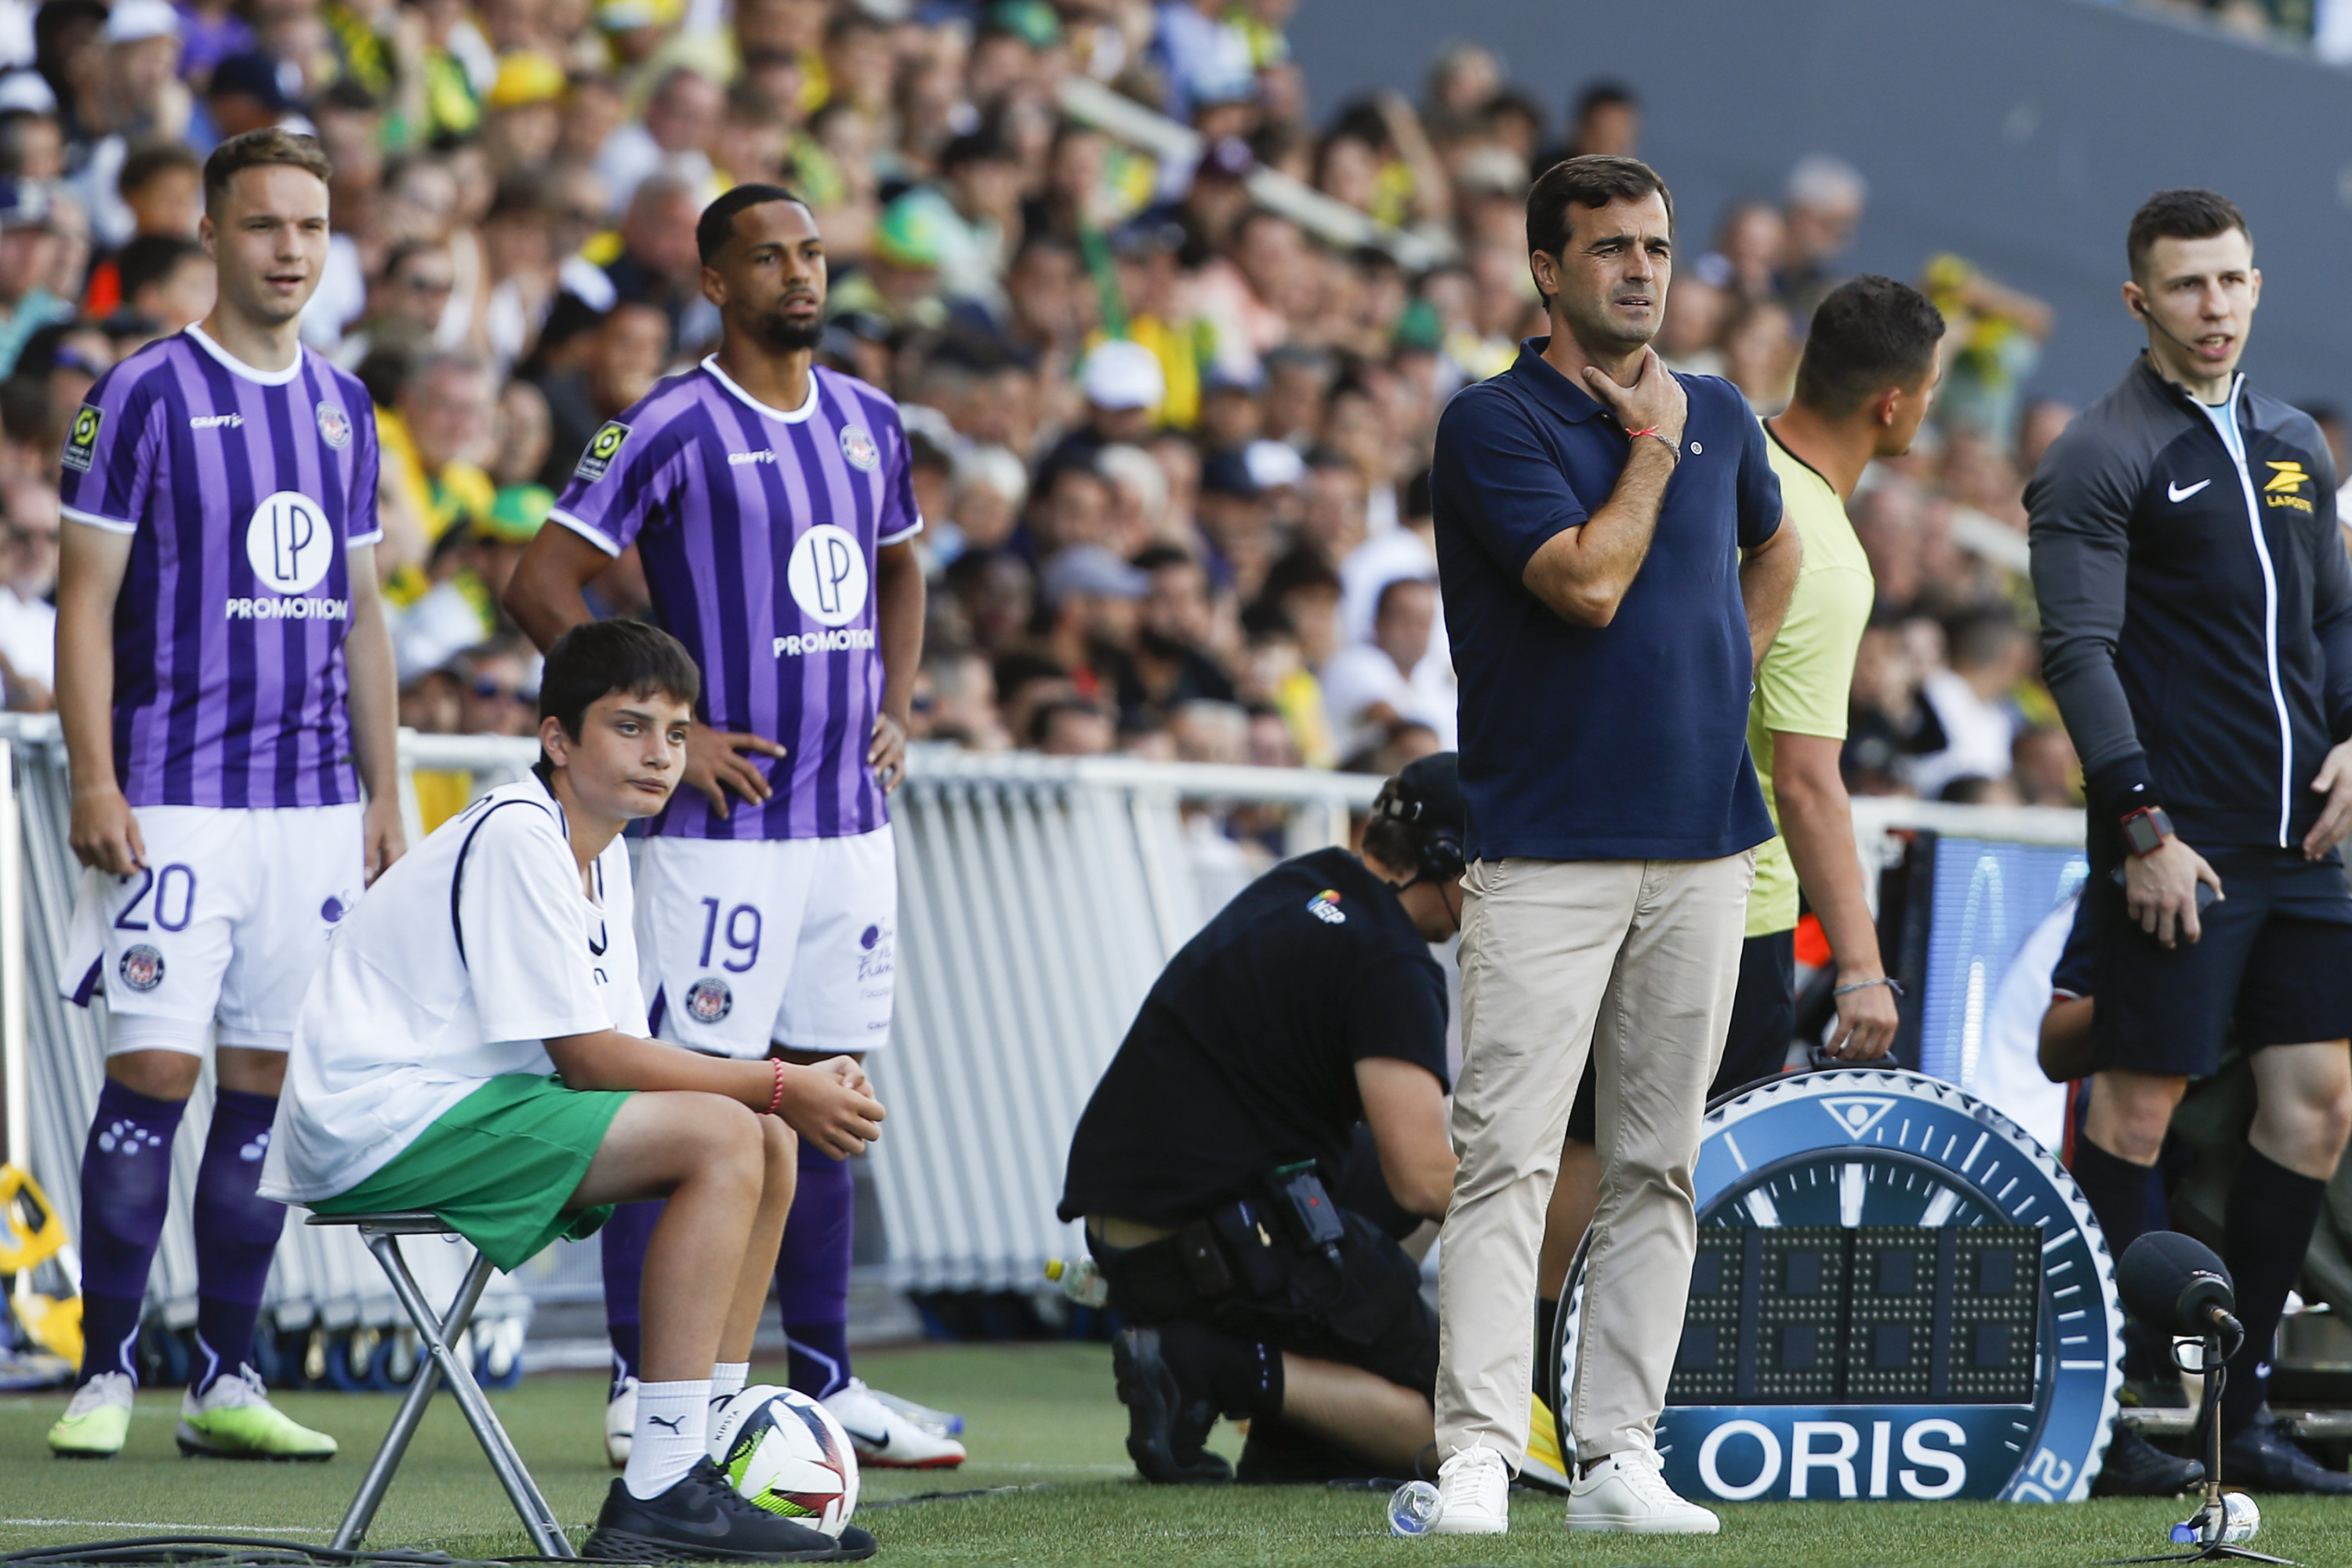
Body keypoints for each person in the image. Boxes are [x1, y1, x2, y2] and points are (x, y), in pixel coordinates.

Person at [258, 618, 884, 1564]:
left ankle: (701, 1453)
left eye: (676, 734)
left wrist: (773, 1097)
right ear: (558, 739)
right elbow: (591, 1059)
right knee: (733, 1130)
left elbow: (615, 1050)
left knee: (766, 1137)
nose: (661, 755)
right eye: (630, 727)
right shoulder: (518, 831)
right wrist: (781, 1078)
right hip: (378, 1120)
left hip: (456, 1106)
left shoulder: (601, 854)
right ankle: (661, 1482)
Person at [504, 183, 955, 1470]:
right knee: (698, 1112)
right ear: (717, 282)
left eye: (812, 253)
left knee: (834, 1093)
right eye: (770, 258)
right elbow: (539, 582)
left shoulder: (870, 419)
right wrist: (672, 738)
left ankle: (826, 1383)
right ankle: (650, 1387)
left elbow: (902, 564)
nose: (801, 276)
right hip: (718, 845)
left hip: (849, 828)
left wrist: (897, 704)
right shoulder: (667, 423)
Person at [1425, 154, 1799, 1537]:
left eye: (1655, 245)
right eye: (1608, 249)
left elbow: (1780, 554)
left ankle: (1617, 1454)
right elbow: (1585, 585)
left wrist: (1723, 677)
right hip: (1546, 847)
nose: (1640, 268)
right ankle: (1473, 1447)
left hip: (1704, 842)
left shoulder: (1720, 410)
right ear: (1546, 269)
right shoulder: (1492, 423)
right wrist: (1647, 445)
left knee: (1657, 1163)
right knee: (1509, 1158)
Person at [1526, 272, 1938, 1485]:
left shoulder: (1718, 458)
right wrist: (1859, 965)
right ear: (1901, 407)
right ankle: (1587, 1422)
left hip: (1613, 853)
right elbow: (1807, 781)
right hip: (1730, 899)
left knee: (1589, 1149)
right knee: (1644, 1171)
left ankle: (1524, 1398)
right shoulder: (1821, 546)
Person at [45, 129, 404, 1461]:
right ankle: (106, 1374)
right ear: (209, 232)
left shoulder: (348, 407)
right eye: (263, 226)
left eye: (310, 227)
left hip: (310, 804)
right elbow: (82, 604)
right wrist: (96, 770)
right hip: (178, 794)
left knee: (264, 1094)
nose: (290, 250)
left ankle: (227, 1380)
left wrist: (385, 793)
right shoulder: (137, 395)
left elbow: (364, 617)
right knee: (150, 1075)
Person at [2028, 187, 2352, 1494]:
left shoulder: (2292, 440)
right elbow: (2078, 651)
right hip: (2184, 843)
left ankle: (2244, 1414)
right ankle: (2103, 1422)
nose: (2212, 308)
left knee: (2317, 1106)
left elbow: (2332, 619)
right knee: (2138, 1110)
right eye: (2186, 287)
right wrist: (2142, 826)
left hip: (2307, 846)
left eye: (2230, 283)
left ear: (2256, 286)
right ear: (2139, 302)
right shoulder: (2097, 452)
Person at [1058, 754, 1464, 1485]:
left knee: (1442, 1153)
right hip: (1212, 1244)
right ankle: (1210, 1366)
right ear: (1445, 859)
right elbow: (1422, 1182)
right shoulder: (1392, 962)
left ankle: (1295, 1430)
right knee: (1475, 1424)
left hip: (1136, 1229)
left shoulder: (1308, 879)